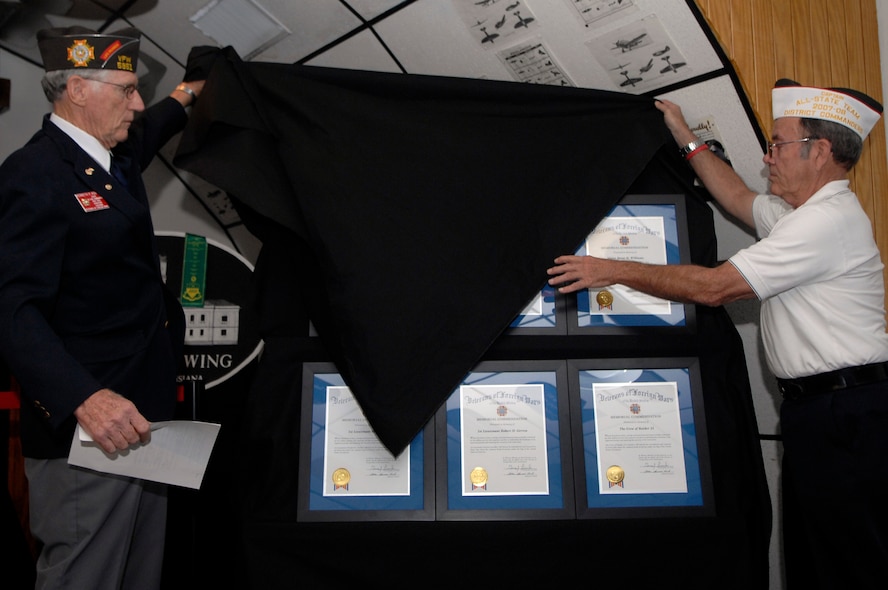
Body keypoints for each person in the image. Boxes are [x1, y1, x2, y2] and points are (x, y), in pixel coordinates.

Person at [548, 79, 888, 588]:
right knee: (816, 553)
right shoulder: (798, 215)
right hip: (820, 410)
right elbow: (735, 196)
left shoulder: (825, 223)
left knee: (851, 559)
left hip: (849, 413)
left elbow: (714, 288)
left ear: (819, 152)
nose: (768, 157)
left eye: (777, 145)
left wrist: (610, 270)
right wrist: (683, 133)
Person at [0, 26, 204, 588]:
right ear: (77, 90)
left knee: (138, 576)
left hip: (142, 422)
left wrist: (191, 91)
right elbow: (11, 308)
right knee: (85, 576)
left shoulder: (112, 157)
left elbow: (154, 126)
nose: (137, 105)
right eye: (126, 90)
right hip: (90, 432)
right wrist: (83, 398)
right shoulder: (34, 175)